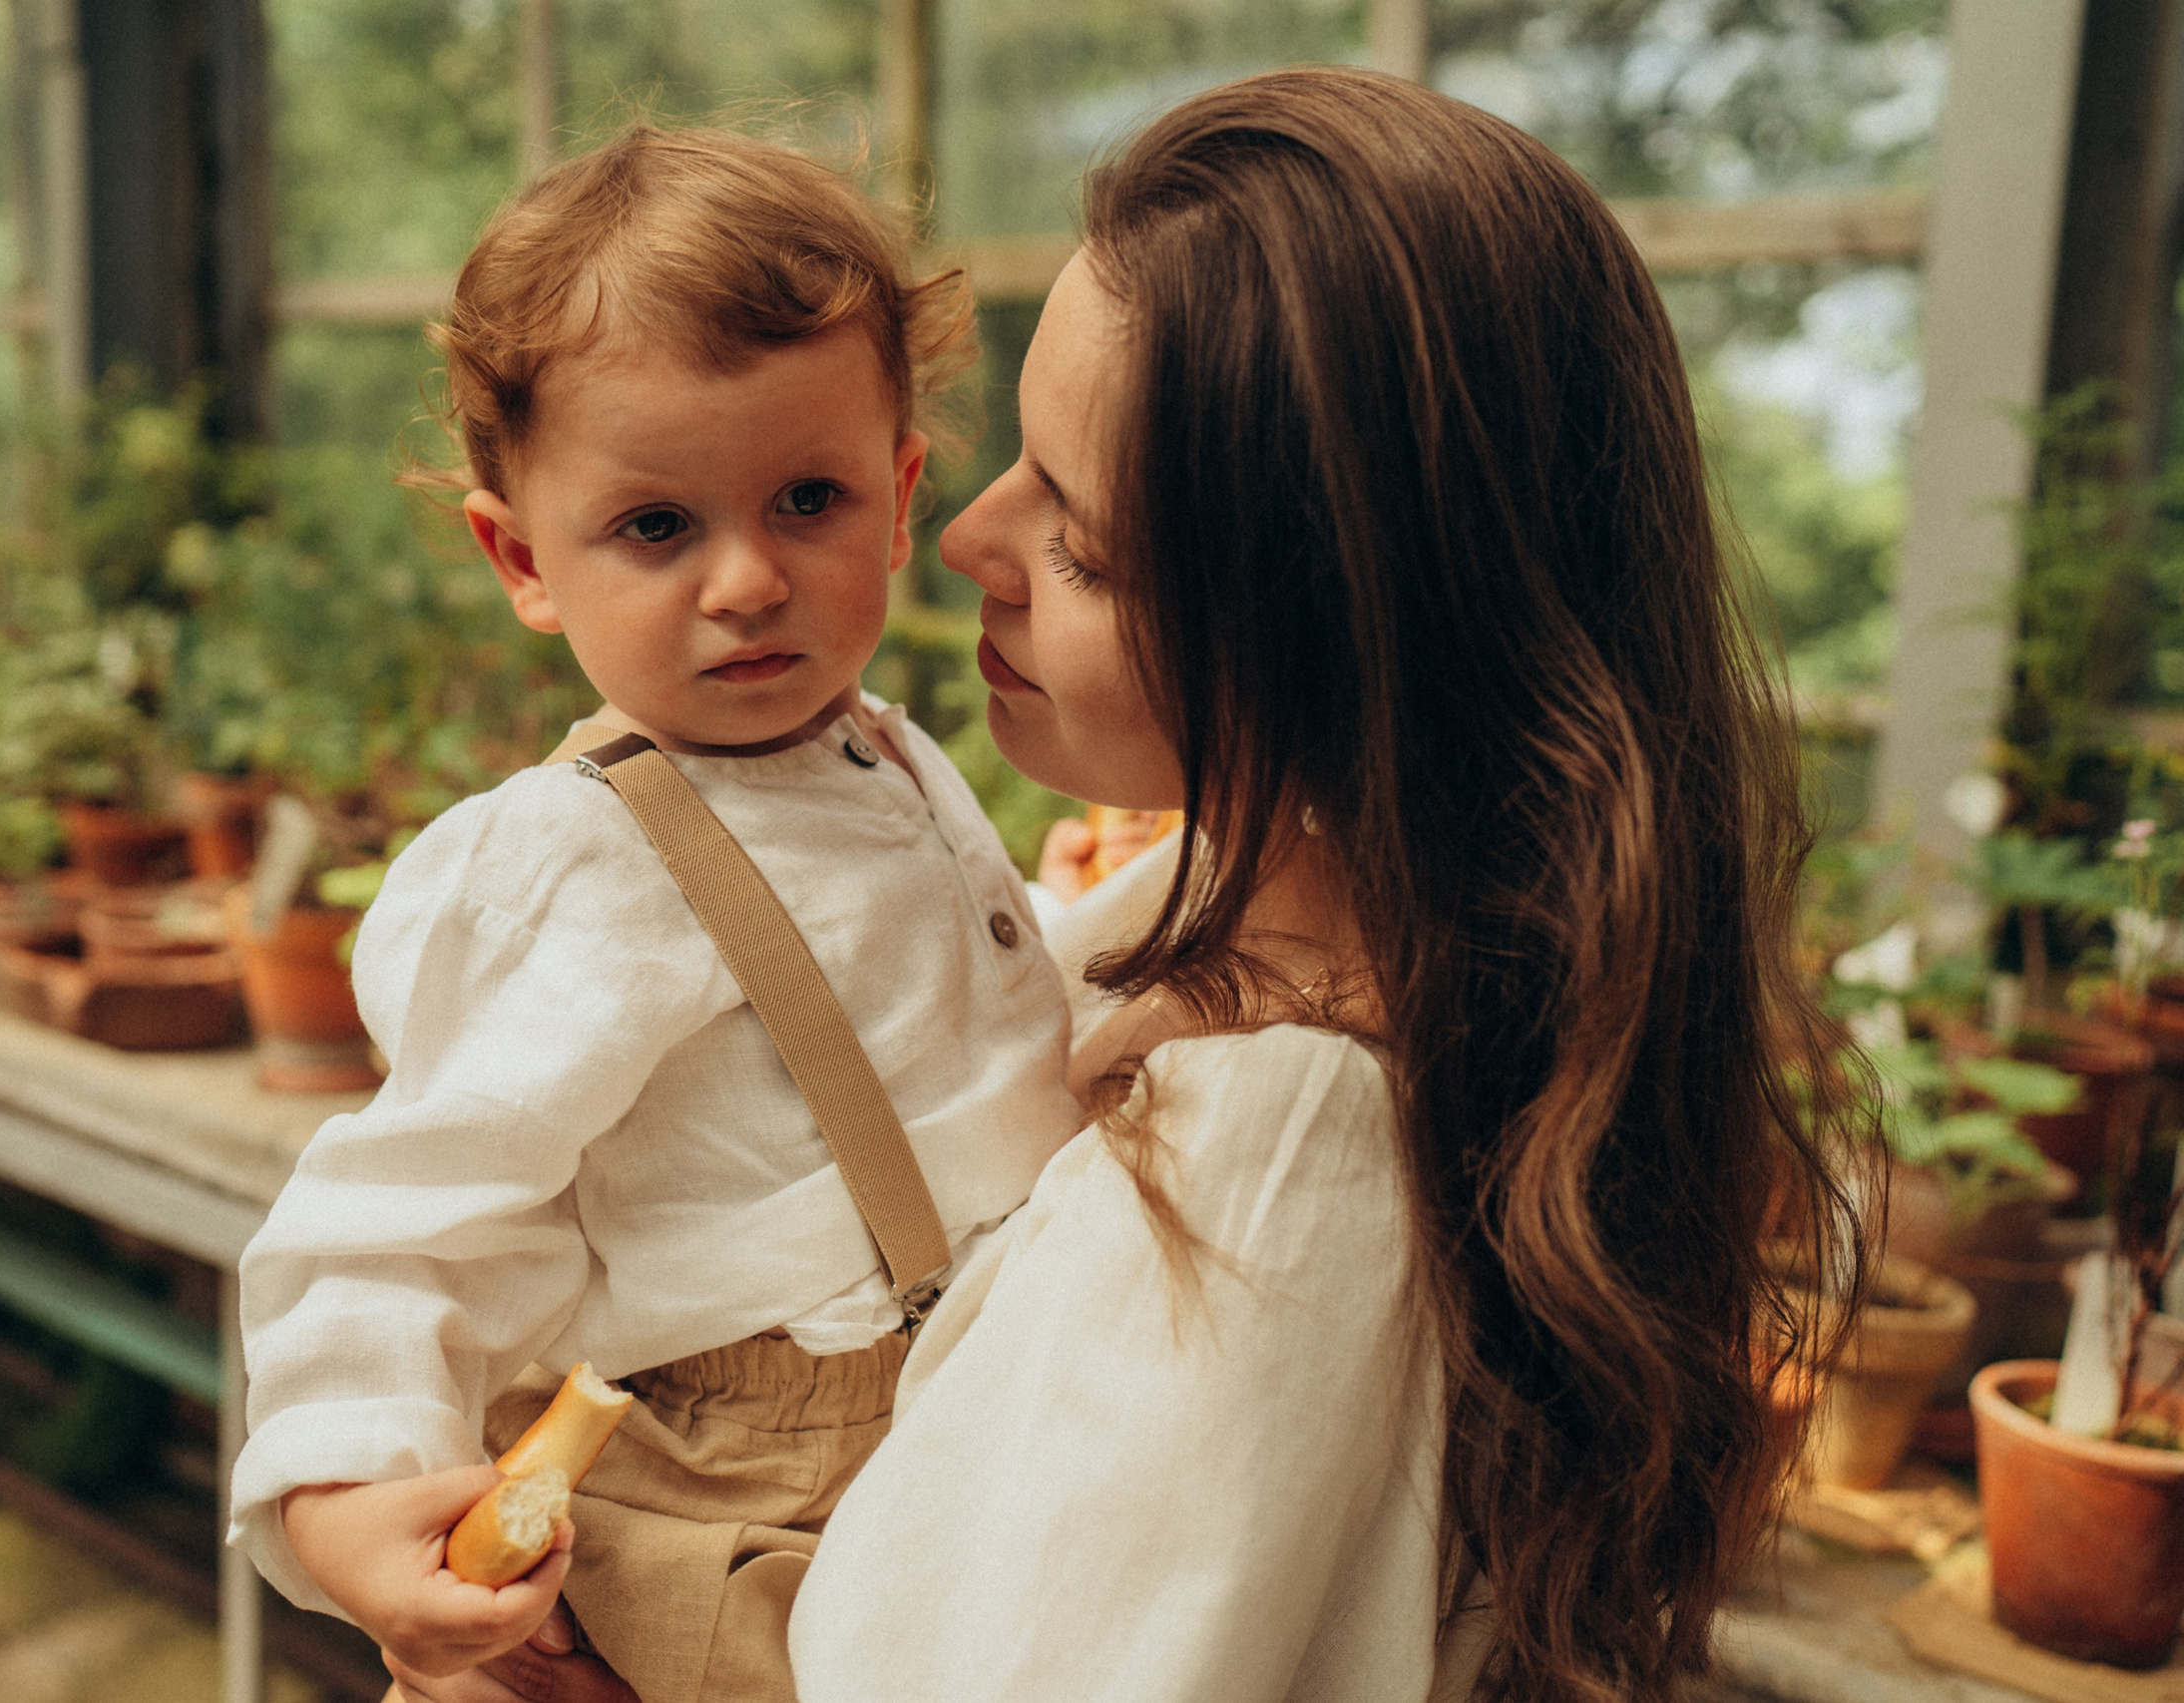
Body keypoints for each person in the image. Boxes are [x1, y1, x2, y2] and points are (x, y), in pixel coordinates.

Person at [421, 65, 1867, 1703]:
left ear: (1339, 629)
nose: (966, 535)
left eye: (1083, 541)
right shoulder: (1325, 942)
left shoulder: (1268, 1158)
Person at [226, 125, 1082, 1703]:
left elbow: (943, 1013)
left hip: (982, 1401)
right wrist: (347, 1505)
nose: (748, 581)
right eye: (658, 528)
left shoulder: (878, 746)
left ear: (900, 503)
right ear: (521, 558)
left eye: (807, 498)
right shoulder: (579, 871)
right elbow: (398, 1225)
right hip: (756, 1495)